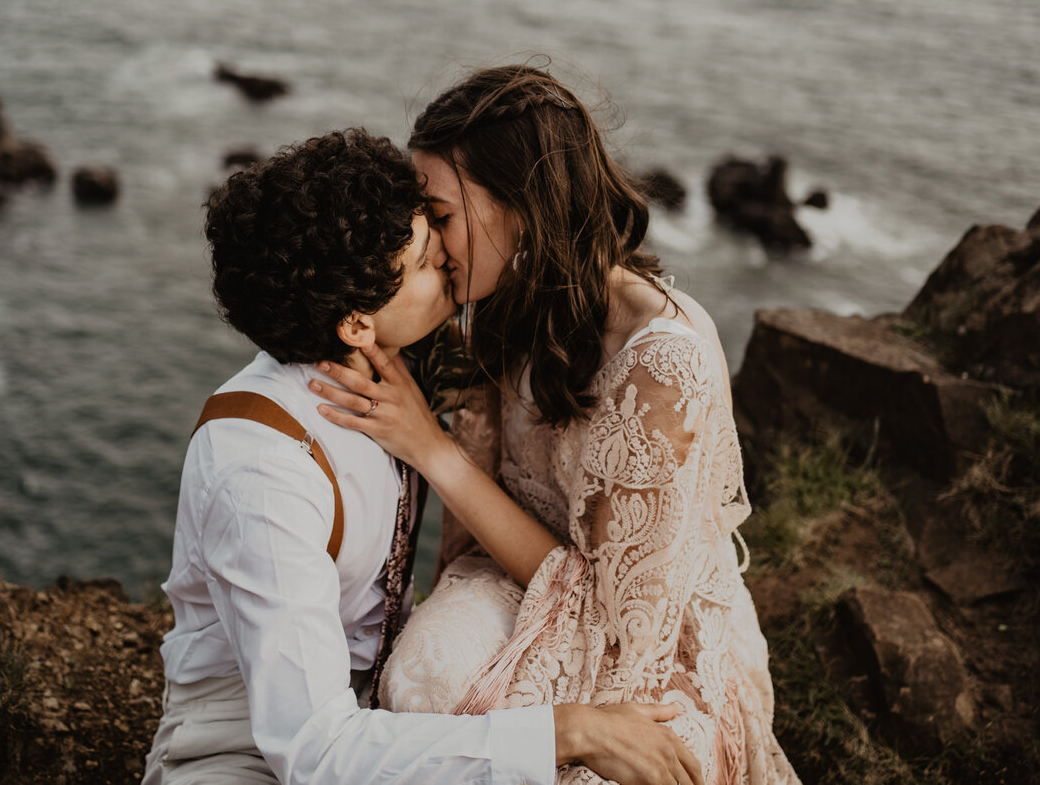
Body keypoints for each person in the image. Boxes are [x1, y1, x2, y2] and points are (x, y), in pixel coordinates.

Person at [144, 128, 705, 785]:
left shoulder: (393, 363)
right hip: (246, 759)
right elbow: (314, 752)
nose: (449, 254)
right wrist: (569, 731)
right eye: (425, 259)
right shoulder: (262, 470)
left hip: (383, 726)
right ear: (356, 322)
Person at [309, 66, 801, 784]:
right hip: (516, 572)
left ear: (521, 206)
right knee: (423, 679)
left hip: (640, 634)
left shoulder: (663, 363)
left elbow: (614, 615)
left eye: (440, 215)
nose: (433, 245)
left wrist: (434, 450)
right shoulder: (505, 294)